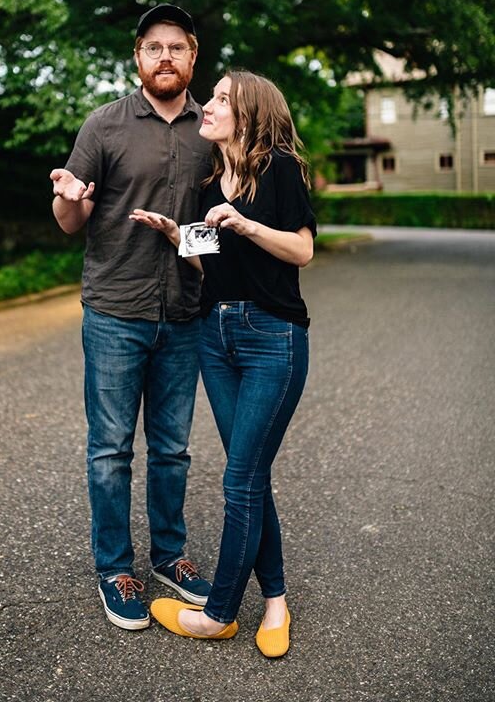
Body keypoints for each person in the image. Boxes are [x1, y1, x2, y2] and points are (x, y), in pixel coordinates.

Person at [129, 70, 315, 656]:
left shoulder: (279, 169)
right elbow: (213, 267)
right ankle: (277, 603)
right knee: (250, 474)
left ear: (250, 113)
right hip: (217, 335)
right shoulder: (212, 181)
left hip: (272, 338)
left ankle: (219, 614)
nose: (206, 105)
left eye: (220, 99)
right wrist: (175, 240)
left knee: (239, 479)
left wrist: (247, 222)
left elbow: (303, 250)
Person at [49, 4, 213, 631]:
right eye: (153, 47)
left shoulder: (214, 129)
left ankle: (171, 557)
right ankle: (116, 567)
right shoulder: (105, 125)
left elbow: (219, 236)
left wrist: (184, 239)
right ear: (137, 56)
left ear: (192, 55)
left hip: (187, 312)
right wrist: (70, 201)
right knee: (111, 448)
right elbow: (70, 220)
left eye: (176, 47)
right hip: (116, 310)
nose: (165, 57)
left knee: (172, 448)